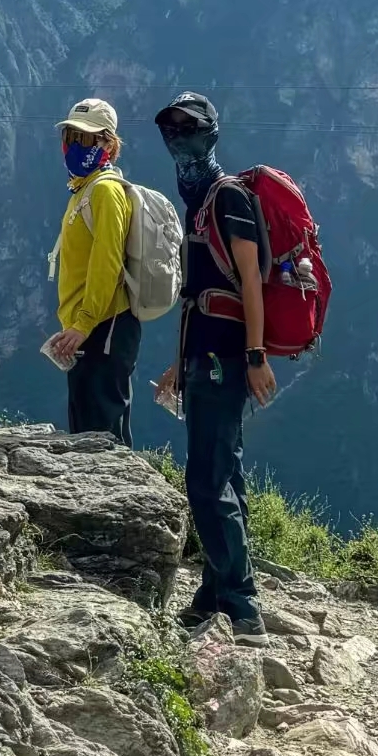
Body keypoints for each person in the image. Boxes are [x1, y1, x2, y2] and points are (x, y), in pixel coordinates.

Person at [154, 91, 276, 636]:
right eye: (171, 127)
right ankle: (215, 590)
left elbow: (250, 280)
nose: (177, 136)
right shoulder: (201, 200)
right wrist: (178, 363)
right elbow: (197, 295)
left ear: (211, 132)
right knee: (225, 473)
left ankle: (241, 602)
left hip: (227, 358)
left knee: (206, 479)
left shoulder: (227, 198)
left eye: (189, 126)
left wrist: (256, 355)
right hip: (203, 356)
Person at [45, 96, 141, 443]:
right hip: (88, 330)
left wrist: (84, 324)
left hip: (105, 326)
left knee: (103, 437)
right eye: (72, 136)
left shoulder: (105, 191)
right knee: (85, 432)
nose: (76, 145)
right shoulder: (83, 191)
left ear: (109, 145)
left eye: (87, 138)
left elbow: (107, 263)